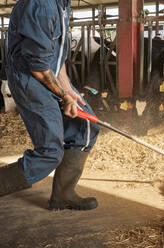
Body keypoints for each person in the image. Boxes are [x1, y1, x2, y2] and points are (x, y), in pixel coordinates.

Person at [0, 0, 100, 211]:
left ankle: (63, 195)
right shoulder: (41, 5)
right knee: (50, 152)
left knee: (85, 127)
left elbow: (57, 56)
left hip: (48, 74)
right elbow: (38, 67)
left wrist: (68, 91)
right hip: (31, 80)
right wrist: (63, 95)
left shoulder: (62, 4)